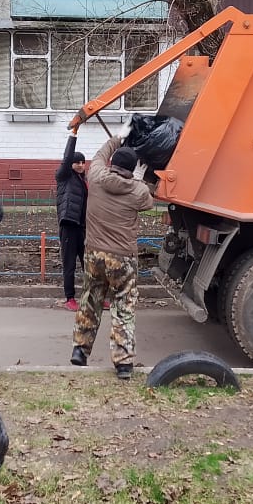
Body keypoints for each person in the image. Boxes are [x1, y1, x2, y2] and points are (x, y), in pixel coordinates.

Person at [69, 135, 155, 379]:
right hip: (122, 258)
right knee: (123, 307)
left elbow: (98, 156)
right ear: (131, 169)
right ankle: (124, 364)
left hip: (94, 254)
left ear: (112, 164)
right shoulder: (138, 190)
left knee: (90, 300)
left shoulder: (94, 177)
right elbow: (148, 201)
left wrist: (116, 139)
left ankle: (80, 351)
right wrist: (137, 179)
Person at [55, 134, 88, 312]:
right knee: (69, 264)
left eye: (83, 162)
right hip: (68, 225)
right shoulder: (64, 176)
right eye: (78, 162)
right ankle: (70, 298)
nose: (81, 165)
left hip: (82, 227)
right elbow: (67, 159)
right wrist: (73, 136)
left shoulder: (84, 180)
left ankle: (93, 297)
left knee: (88, 264)